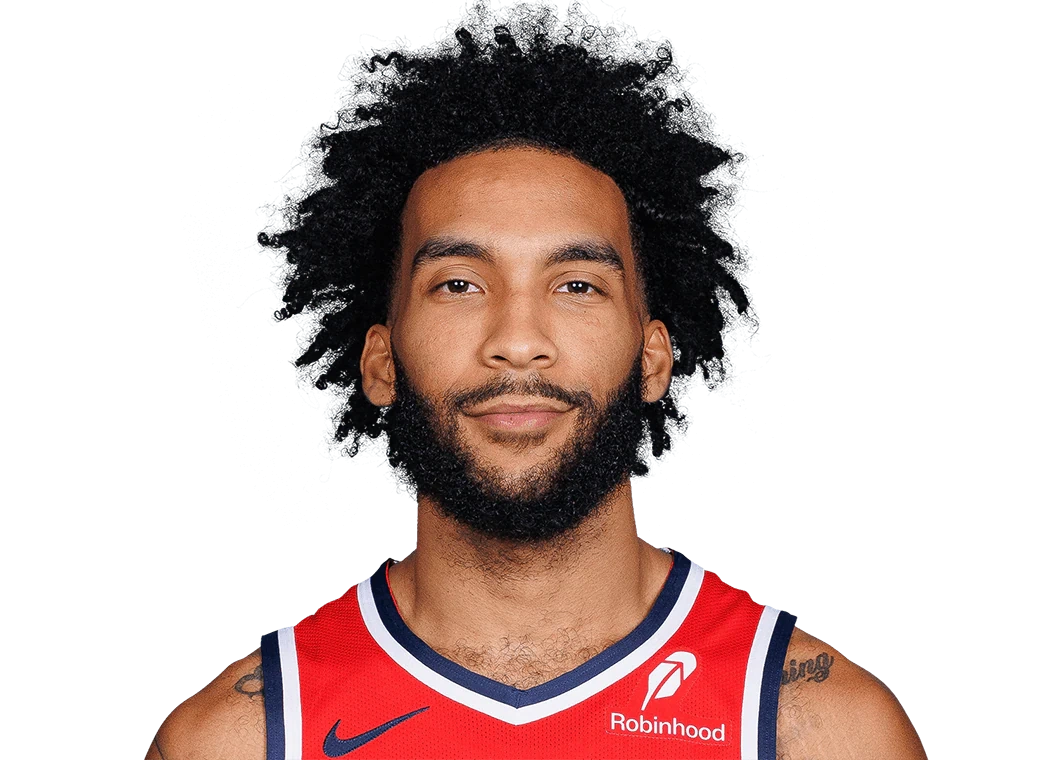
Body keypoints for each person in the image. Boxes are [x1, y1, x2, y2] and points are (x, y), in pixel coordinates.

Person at [149, 2, 927, 757]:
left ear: (652, 357)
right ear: (380, 361)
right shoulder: (238, 741)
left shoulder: (817, 731)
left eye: (577, 285)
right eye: (458, 284)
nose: (518, 343)